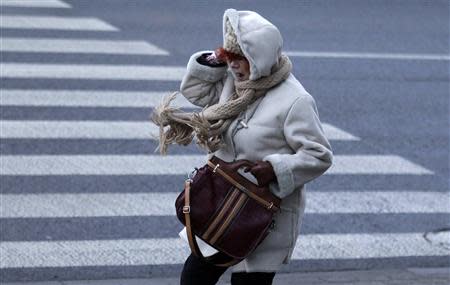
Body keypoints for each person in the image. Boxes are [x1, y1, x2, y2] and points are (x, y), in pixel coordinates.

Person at [152, 8, 333, 285]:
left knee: (248, 282)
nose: (233, 65)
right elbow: (196, 92)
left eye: (240, 58)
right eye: (229, 57)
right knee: (195, 276)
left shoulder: (295, 100)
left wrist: (274, 169)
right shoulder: (233, 84)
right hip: (223, 203)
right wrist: (214, 60)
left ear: (259, 57)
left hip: (262, 213)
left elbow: (318, 155)